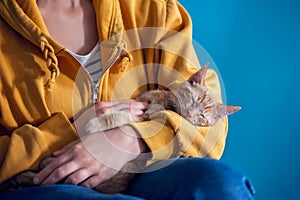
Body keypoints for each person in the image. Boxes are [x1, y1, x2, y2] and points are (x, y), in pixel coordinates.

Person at [0, 0, 255, 199]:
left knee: (220, 184)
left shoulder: (152, 8)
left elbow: (210, 127)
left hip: (141, 167)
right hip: (40, 182)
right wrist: (77, 133)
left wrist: (135, 139)